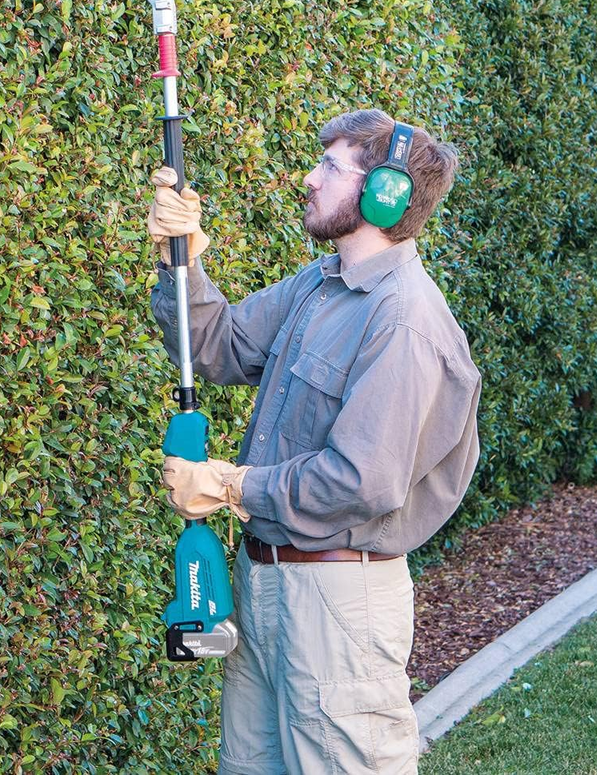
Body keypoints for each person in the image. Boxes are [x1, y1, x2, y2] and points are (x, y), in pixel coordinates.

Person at [148, 109, 481, 775]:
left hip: (339, 607)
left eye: (331, 166)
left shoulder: (403, 320)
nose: (309, 177)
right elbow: (221, 347)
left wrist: (231, 483)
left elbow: (361, 479)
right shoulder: (319, 285)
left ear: (383, 193)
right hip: (265, 585)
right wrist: (180, 261)